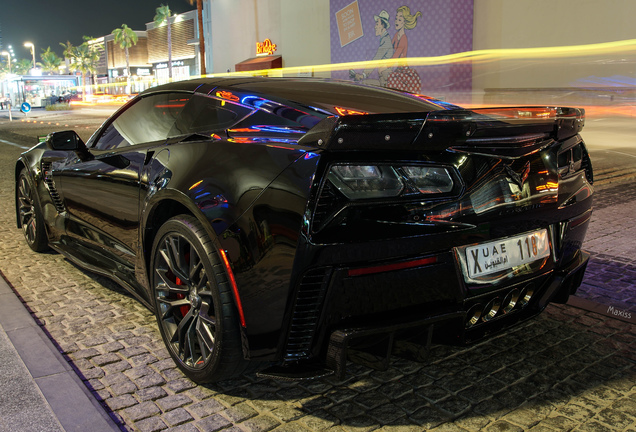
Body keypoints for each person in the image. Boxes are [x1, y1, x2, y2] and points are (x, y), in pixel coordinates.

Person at [351, 10, 394, 87]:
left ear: (383, 25)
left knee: (365, 84)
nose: (375, 26)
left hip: (385, 81)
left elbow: (376, 59)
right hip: (382, 79)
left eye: (377, 24)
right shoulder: (384, 39)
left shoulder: (386, 41)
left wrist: (363, 75)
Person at [386, 5, 423, 93]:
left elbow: (396, 54)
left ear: (404, 22)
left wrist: (387, 65)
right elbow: (390, 49)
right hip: (398, 69)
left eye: (399, 19)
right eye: (396, 19)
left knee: (391, 79)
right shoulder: (396, 35)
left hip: (404, 70)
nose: (396, 21)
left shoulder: (403, 38)